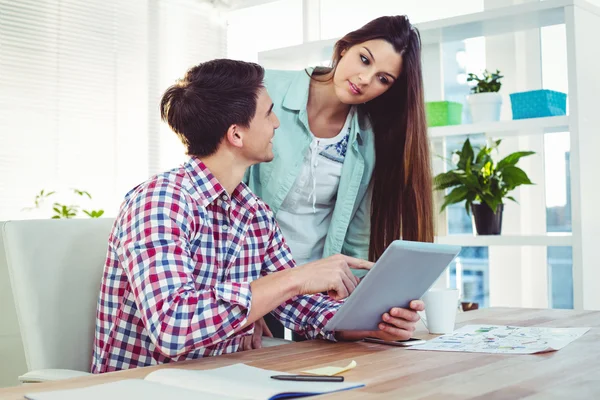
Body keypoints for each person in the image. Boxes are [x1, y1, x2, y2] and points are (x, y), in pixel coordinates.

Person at [91, 59, 425, 373]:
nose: (277, 123)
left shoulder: (254, 213)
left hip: (223, 380)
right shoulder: (160, 203)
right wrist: (296, 278)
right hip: (143, 385)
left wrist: (374, 323)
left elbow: (302, 308)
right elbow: (173, 327)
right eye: (268, 114)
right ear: (236, 134)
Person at [245, 15, 434, 339]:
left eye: (383, 79)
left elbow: (355, 239)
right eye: (364, 59)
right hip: (253, 280)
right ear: (344, 47)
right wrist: (246, 305)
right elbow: (223, 188)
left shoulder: (368, 140)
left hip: (317, 288)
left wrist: (365, 315)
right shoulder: (266, 88)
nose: (364, 79)